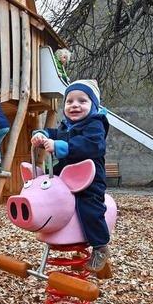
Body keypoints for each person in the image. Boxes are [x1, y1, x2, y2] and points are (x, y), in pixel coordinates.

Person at [30, 79, 111, 272]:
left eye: (82, 101)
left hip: (89, 179)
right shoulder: (65, 127)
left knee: (89, 207)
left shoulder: (95, 126)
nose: (75, 105)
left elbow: (92, 146)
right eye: (70, 101)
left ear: (94, 106)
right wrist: (40, 134)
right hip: (66, 178)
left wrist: (61, 146)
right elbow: (51, 132)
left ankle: (100, 246)